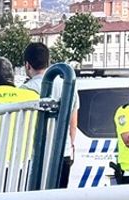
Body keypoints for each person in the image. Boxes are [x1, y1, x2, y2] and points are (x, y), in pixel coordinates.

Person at [22, 42, 78, 188]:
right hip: (62, 152)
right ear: (49, 62)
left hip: (35, 155)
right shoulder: (68, 86)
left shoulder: (25, 90)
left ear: (27, 65)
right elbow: (73, 123)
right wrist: (70, 146)